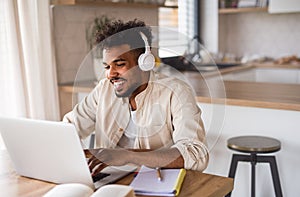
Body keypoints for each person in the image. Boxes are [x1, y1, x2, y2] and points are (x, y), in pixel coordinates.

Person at [63, 19, 209, 177]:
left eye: (119, 64)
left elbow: (196, 154)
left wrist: (128, 155)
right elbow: (68, 129)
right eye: (107, 66)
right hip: (110, 182)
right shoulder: (104, 89)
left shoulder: (176, 92)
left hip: (157, 181)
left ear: (144, 63)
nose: (110, 74)